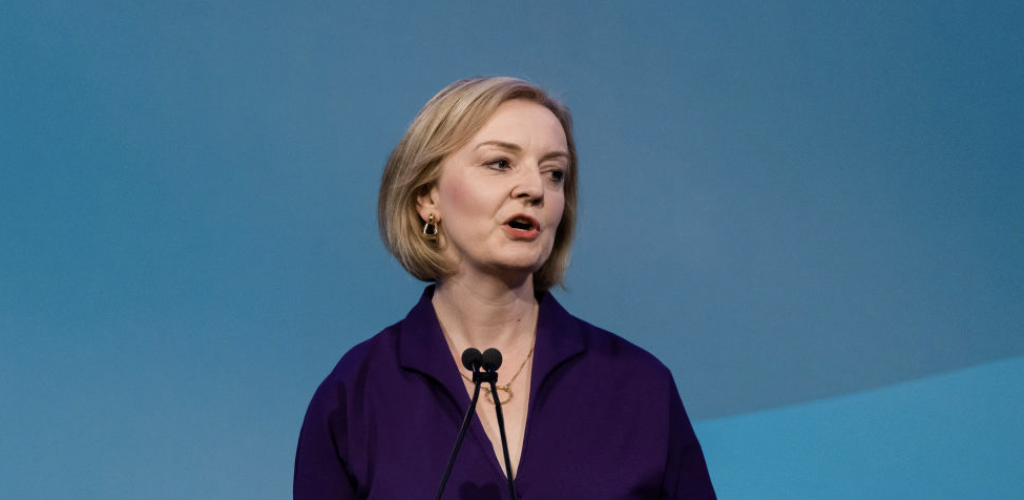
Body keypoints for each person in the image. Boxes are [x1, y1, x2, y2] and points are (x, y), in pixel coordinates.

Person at [294, 77, 716, 499]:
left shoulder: (639, 387)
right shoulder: (355, 397)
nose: (534, 189)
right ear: (428, 197)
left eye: (554, 173)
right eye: (500, 163)